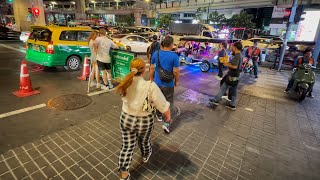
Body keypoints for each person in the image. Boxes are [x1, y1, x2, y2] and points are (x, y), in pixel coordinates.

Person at [116, 58, 171, 180]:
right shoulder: (150, 86)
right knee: (144, 141)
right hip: (144, 121)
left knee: (127, 145)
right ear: (144, 70)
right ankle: (145, 155)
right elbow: (163, 106)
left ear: (131, 69)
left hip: (126, 118)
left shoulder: (126, 82)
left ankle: (124, 172)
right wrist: (168, 118)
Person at [150, 36, 180, 133]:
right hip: (168, 84)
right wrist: (177, 81)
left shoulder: (156, 53)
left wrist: (151, 79)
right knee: (168, 103)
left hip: (157, 83)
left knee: (157, 100)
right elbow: (176, 72)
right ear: (171, 44)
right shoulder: (174, 56)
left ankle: (158, 115)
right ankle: (166, 124)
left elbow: (151, 68)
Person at [209, 41, 243, 110]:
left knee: (223, 88)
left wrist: (227, 64)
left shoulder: (237, 56)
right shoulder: (240, 55)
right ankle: (232, 105)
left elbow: (235, 66)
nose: (232, 48)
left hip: (232, 76)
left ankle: (216, 100)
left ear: (235, 48)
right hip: (236, 75)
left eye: (233, 47)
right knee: (233, 90)